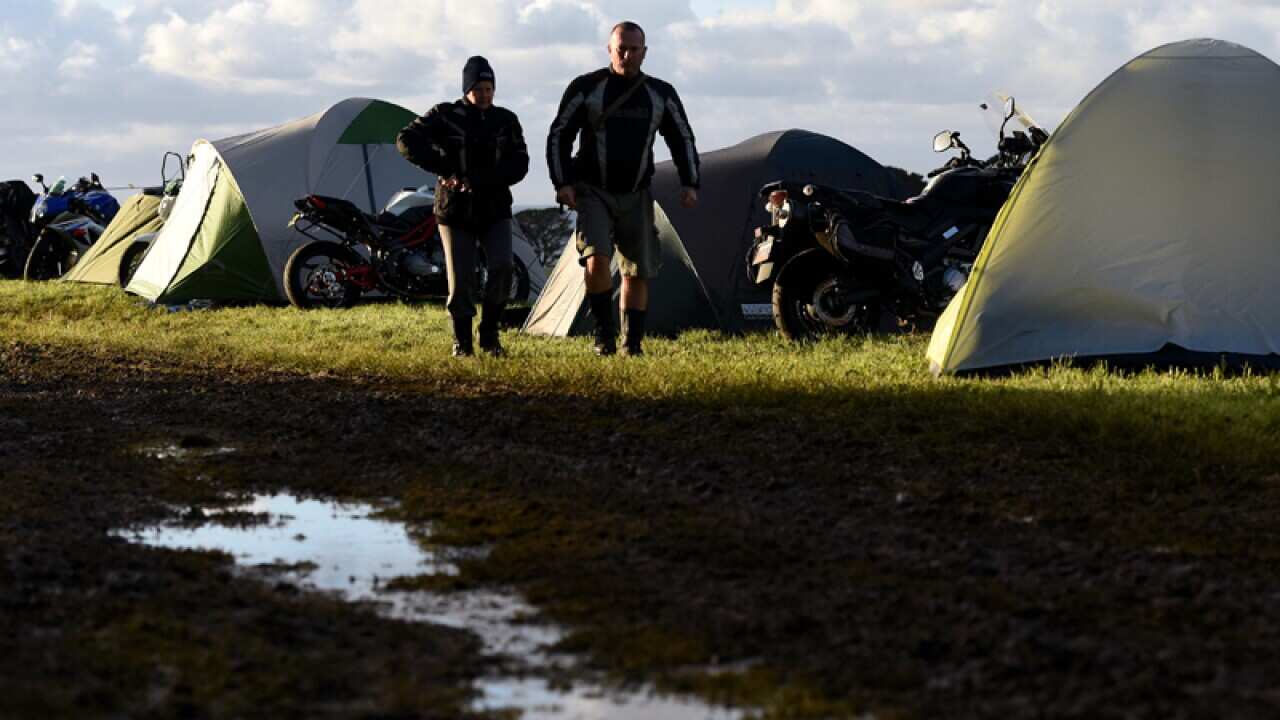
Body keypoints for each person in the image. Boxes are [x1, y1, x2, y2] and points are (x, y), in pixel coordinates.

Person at [547, 20, 700, 356]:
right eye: (621, 49)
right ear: (609, 49)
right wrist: (563, 184)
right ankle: (604, 337)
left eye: (634, 50)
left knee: (637, 270)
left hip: (637, 194)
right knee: (597, 258)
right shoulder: (586, 88)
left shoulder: (660, 93)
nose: (627, 56)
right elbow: (559, 134)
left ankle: (631, 345)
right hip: (593, 191)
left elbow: (682, 137)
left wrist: (690, 182)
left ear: (644, 53)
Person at [397, 56, 529, 356]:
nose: (484, 94)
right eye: (478, 88)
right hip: (455, 211)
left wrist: (484, 179)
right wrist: (444, 169)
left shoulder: (506, 120)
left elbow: (520, 163)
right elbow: (406, 140)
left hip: (495, 208)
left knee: (503, 268)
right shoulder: (445, 115)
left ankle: (490, 336)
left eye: (489, 88)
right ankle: (463, 342)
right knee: (461, 279)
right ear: (466, 88)